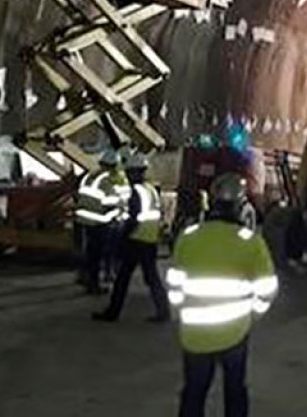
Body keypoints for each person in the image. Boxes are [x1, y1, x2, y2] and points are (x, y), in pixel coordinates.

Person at [168, 173, 277, 417]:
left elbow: (175, 283)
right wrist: (253, 315)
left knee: (194, 391)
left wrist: (180, 313)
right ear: (241, 206)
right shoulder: (250, 242)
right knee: (235, 390)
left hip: (194, 332)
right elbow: (267, 288)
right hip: (235, 331)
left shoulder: (189, 237)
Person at [93, 152, 170, 322]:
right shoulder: (151, 189)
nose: (128, 175)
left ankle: (112, 313)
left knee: (123, 278)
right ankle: (163, 311)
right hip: (150, 240)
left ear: (134, 172)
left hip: (136, 240)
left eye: (129, 172)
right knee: (151, 278)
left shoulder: (136, 191)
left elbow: (134, 218)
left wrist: (123, 238)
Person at [74, 148, 127, 294]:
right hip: (99, 222)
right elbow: (110, 204)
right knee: (98, 253)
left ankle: (85, 277)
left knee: (90, 251)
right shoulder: (107, 181)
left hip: (84, 220)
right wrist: (119, 215)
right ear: (114, 165)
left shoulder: (90, 176)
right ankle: (94, 284)